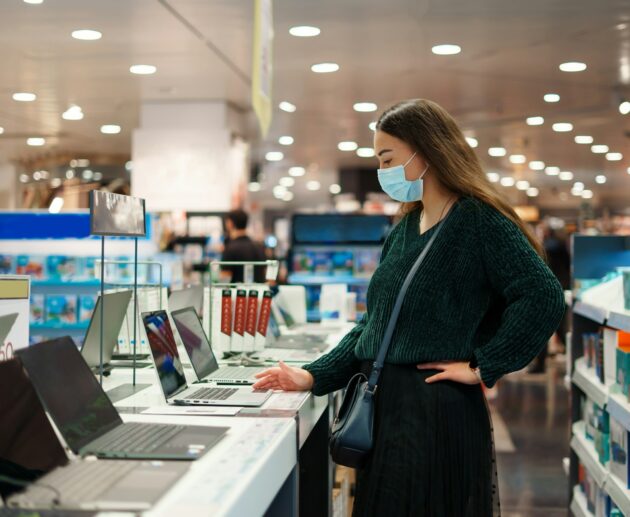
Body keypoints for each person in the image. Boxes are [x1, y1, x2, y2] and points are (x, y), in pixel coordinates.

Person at [253, 99, 566, 516]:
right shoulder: (403, 230)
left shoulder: (477, 221)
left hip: (437, 412)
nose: (383, 172)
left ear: (427, 152)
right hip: (388, 409)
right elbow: (374, 328)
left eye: (388, 158)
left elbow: (543, 295)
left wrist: (483, 366)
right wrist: (313, 375)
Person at [221, 209, 266, 283]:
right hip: (258, 292)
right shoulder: (258, 246)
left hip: (237, 293)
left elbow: (225, 277)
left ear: (230, 223)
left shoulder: (230, 248)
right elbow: (265, 273)